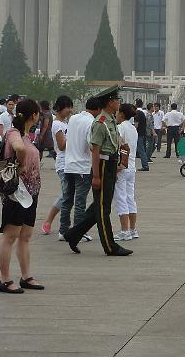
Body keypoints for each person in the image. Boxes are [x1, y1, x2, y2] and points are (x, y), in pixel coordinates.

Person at [63, 86, 132, 257]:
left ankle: (73, 234)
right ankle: (110, 246)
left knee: (100, 206)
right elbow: (96, 150)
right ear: (110, 102)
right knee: (103, 209)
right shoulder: (101, 122)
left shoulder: (110, 120)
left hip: (110, 165)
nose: (119, 103)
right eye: (117, 100)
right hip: (101, 165)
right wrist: (95, 176)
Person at [0, 98, 44, 294]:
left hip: (31, 193)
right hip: (16, 193)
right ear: (33, 115)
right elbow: (19, 148)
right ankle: (5, 280)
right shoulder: (13, 133)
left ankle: (26, 276)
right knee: (11, 236)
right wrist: (22, 163)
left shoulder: (26, 134)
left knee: (25, 236)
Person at [59, 97, 99, 243]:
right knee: (80, 202)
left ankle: (63, 230)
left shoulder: (73, 118)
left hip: (69, 165)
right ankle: (78, 232)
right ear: (97, 110)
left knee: (67, 199)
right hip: (82, 166)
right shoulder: (91, 122)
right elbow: (91, 144)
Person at [40, 96, 73, 236]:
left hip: (70, 162)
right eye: (68, 107)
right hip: (63, 163)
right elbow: (61, 145)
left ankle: (54, 222)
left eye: (71, 107)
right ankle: (49, 221)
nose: (70, 110)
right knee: (66, 195)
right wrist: (74, 139)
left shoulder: (66, 123)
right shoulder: (57, 124)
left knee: (68, 194)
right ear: (60, 108)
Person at [113, 104, 139, 241]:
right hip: (132, 166)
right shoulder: (133, 129)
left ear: (122, 114)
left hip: (122, 167)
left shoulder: (120, 128)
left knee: (120, 198)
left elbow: (118, 146)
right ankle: (133, 229)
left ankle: (124, 230)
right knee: (130, 197)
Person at [36, 100, 55, 164]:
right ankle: (38, 163)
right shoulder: (45, 113)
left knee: (50, 149)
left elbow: (45, 126)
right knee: (40, 149)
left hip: (47, 134)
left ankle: (58, 162)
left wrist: (41, 135)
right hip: (46, 133)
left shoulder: (47, 114)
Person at [134, 99, 149, 172]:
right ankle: (145, 164)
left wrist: (133, 131)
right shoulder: (143, 113)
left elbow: (136, 124)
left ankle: (145, 165)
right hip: (143, 132)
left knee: (141, 149)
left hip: (139, 133)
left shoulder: (137, 113)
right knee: (141, 149)